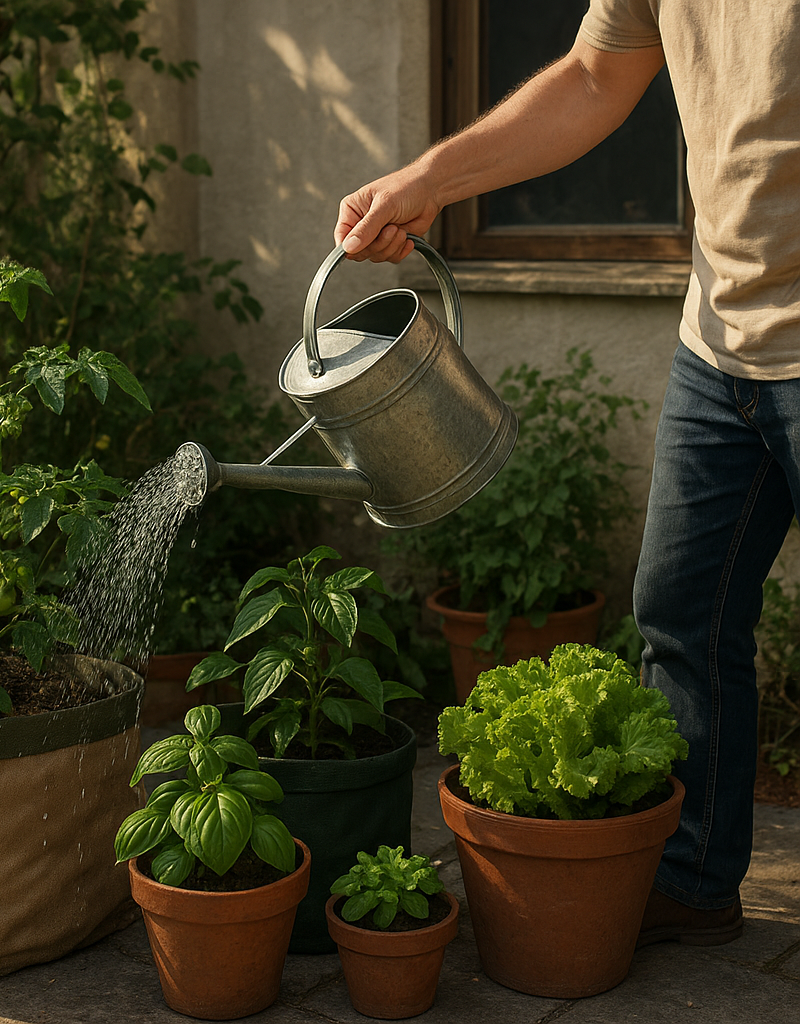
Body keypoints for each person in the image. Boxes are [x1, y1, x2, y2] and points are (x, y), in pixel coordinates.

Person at [335, 0, 800, 948]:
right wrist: (429, 180)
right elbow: (595, 78)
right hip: (720, 344)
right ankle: (697, 880)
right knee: (682, 615)